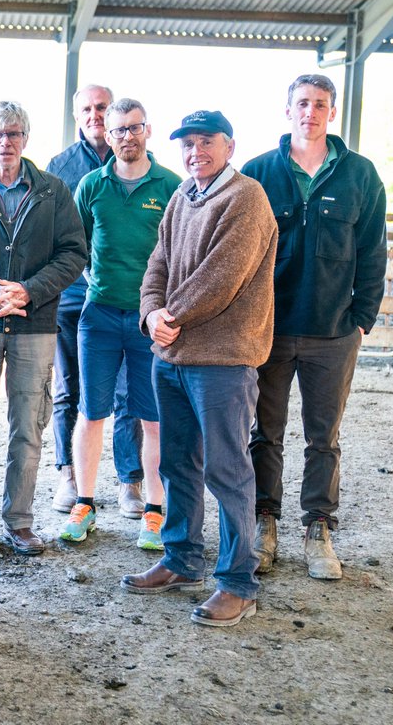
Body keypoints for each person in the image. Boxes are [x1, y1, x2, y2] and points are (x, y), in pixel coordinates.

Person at [122, 110, 277, 628]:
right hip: (171, 356)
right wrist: (151, 315)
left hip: (223, 362)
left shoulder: (246, 198)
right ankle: (182, 558)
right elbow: (157, 264)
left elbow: (223, 276)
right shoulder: (181, 196)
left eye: (205, 142)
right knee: (176, 463)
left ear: (229, 145)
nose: (195, 152)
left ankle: (237, 582)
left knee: (228, 469)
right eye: (187, 144)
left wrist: (171, 316)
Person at [242, 74, 387, 580]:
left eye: (320, 104)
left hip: (334, 331)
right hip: (271, 330)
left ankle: (318, 527)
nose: (310, 111)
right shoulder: (258, 172)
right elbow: (240, 251)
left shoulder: (360, 175)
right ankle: (265, 521)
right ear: (288, 110)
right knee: (266, 432)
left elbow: (372, 251)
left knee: (323, 437)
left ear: (331, 112)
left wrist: (362, 317)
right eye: (302, 102)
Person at [0, 101, 87, 557]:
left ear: (26, 138)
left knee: (28, 425)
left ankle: (20, 521)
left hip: (35, 323)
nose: (5, 142)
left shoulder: (54, 192)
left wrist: (28, 291)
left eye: (13, 134)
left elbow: (72, 253)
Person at [61, 99, 181, 550]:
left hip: (151, 320)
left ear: (147, 130)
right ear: (105, 137)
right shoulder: (91, 185)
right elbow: (77, 247)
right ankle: (85, 503)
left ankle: (154, 510)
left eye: (134, 128)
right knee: (92, 413)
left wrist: (163, 308)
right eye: (118, 131)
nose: (126, 137)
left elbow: (181, 252)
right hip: (99, 315)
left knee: (151, 417)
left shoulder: (170, 185)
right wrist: (95, 281)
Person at [47, 85, 144, 516]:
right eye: (85, 108)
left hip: (125, 299)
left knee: (129, 395)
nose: (93, 114)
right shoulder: (62, 167)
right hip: (72, 299)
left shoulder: (131, 160)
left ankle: (130, 482)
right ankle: (67, 475)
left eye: (101, 107)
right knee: (70, 390)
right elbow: (60, 237)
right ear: (77, 114)